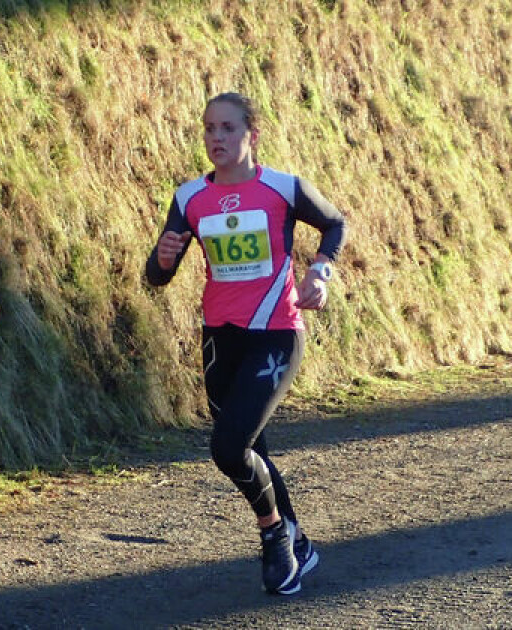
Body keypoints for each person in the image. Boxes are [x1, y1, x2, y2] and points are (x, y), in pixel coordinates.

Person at [145, 92, 347, 595]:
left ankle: (275, 535)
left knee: (228, 446)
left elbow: (334, 222)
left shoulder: (282, 188)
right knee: (250, 445)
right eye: (210, 128)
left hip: (277, 333)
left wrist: (319, 272)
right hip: (220, 340)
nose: (217, 137)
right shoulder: (190, 197)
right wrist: (163, 257)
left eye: (228, 128)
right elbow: (156, 275)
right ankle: (300, 544)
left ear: (252, 135)